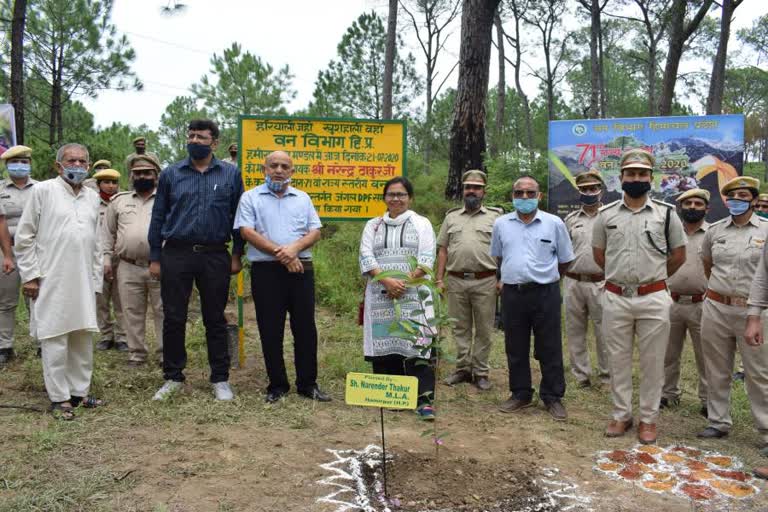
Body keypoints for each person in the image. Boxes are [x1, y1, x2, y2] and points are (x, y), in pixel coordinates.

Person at [593, 148, 686, 444]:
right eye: (630, 173)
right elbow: (600, 255)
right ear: (620, 178)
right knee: (617, 360)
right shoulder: (606, 215)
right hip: (616, 297)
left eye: (642, 174)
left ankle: (648, 419)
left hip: (654, 297)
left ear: (651, 178)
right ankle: (621, 415)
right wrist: (623, 279)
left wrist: (652, 278)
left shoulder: (667, 214)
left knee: (652, 361)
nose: (636, 178)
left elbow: (679, 255)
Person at [148, 119, 243, 402]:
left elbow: (239, 217)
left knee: (215, 318)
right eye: (191, 136)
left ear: (214, 143)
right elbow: (158, 216)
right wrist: (155, 256)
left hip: (215, 254)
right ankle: (173, 377)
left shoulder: (230, 174)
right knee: (174, 317)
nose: (195, 141)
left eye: (201, 137)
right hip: (176, 253)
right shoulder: (171, 174)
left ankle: (220, 379)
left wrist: (236, 254)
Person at [15, 143, 104, 420]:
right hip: (50, 278)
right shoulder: (43, 191)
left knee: (82, 336)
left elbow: (97, 242)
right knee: (55, 338)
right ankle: (59, 398)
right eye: (71, 161)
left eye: (82, 161)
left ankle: (79, 393)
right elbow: (24, 237)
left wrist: (96, 282)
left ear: (88, 167)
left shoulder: (91, 197)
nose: (76, 166)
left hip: (83, 280)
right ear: (58, 166)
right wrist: (30, 275)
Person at [235, 150, 330, 403]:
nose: (278, 170)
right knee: (270, 329)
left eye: (284, 166)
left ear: (292, 171)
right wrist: (284, 255)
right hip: (266, 271)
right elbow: (247, 231)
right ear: (264, 169)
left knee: (305, 328)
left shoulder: (302, 198)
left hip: (301, 269)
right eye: (273, 165)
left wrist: (293, 250)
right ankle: (277, 385)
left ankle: (308, 384)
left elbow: (315, 231)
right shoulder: (250, 197)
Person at [492, 176, 574, 421]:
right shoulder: (501, 224)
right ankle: (520, 393)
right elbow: (499, 257)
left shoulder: (554, 223)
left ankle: (552, 396)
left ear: (539, 196)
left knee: (550, 346)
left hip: (545, 292)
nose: (524, 198)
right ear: (513, 196)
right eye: (519, 193)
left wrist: (546, 280)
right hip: (512, 293)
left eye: (530, 193)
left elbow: (566, 260)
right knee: (515, 345)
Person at [358, 176, 436, 418]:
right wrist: (387, 282)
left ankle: (423, 401)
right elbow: (366, 256)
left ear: (410, 198)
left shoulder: (422, 223)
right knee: (386, 342)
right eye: (391, 194)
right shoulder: (373, 225)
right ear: (384, 198)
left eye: (401, 194)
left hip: (414, 294)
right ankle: (394, 396)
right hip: (381, 293)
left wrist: (404, 283)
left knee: (417, 344)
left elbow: (426, 256)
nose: (396, 199)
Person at [698, 176, 768, 442]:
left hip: (755, 311)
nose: (737, 201)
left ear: (752, 199)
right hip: (716, 306)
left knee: (759, 371)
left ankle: (765, 429)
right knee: (716, 368)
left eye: (743, 196)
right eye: (732, 197)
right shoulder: (715, 231)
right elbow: (708, 265)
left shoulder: (765, 230)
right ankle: (718, 422)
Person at [436, 170, 502, 391]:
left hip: (486, 280)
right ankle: (463, 368)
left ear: (484, 191)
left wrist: (502, 278)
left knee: (484, 329)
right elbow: (443, 249)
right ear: (463, 190)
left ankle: (481, 372)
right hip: (456, 280)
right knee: (460, 328)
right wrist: (439, 279)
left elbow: (504, 250)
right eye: (468, 186)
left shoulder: (496, 217)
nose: (471, 190)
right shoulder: (451, 217)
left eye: (476, 186)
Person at [103, 155, 164, 367]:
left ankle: (165, 354)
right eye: (137, 173)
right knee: (131, 312)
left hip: (160, 266)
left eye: (147, 172)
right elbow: (107, 233)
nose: (142, 176)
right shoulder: (119, 201)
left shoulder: (167, 199)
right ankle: (137, 355)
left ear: (156, 175)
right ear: (131, 175)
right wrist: (106, 260)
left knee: (163, 311)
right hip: (127, 266)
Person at [661, 188, 710, 416]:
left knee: (706, 356)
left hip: (702, 304)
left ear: (706, 208)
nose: (692, 207)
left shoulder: (713, 233)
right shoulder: (669, 233)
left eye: (698, 204)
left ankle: (708, 401)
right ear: (680, 208)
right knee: (667, 353)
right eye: (687, 203)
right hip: (670, 301)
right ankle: (667, 393)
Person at [563, 170, 609, 388]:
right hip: (573, 281)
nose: (589, 193)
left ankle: (607, 376)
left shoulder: (610, 217)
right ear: (578, 192)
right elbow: (562, 251)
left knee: (605, 332)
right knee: (575, 330)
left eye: (593, 188)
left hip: (602, 282)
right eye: (584, 189)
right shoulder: (570, 220)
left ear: (601, 190)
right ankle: (581, 375)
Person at [0, 145, 36, 364]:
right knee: (6, 300)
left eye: (24, 162)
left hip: (35, 251)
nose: (20, 166)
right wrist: (7, 255)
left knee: (38, 298)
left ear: (30, 164)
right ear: (7, 165)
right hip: (6, 250)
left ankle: (42, 343)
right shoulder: (0, 189)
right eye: (15, 162)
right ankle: (4, 345)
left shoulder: (42, 188)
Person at [93, 168, 127, 352]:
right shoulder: (90, 203)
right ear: (98, 185)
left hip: (120, 258)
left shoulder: (123, 202)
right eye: (106, 182)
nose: (111, 185)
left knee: (121, 298)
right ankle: (106, 335)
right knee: (101, 299)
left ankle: (122, 336)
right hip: (97, 258)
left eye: (114, 182)